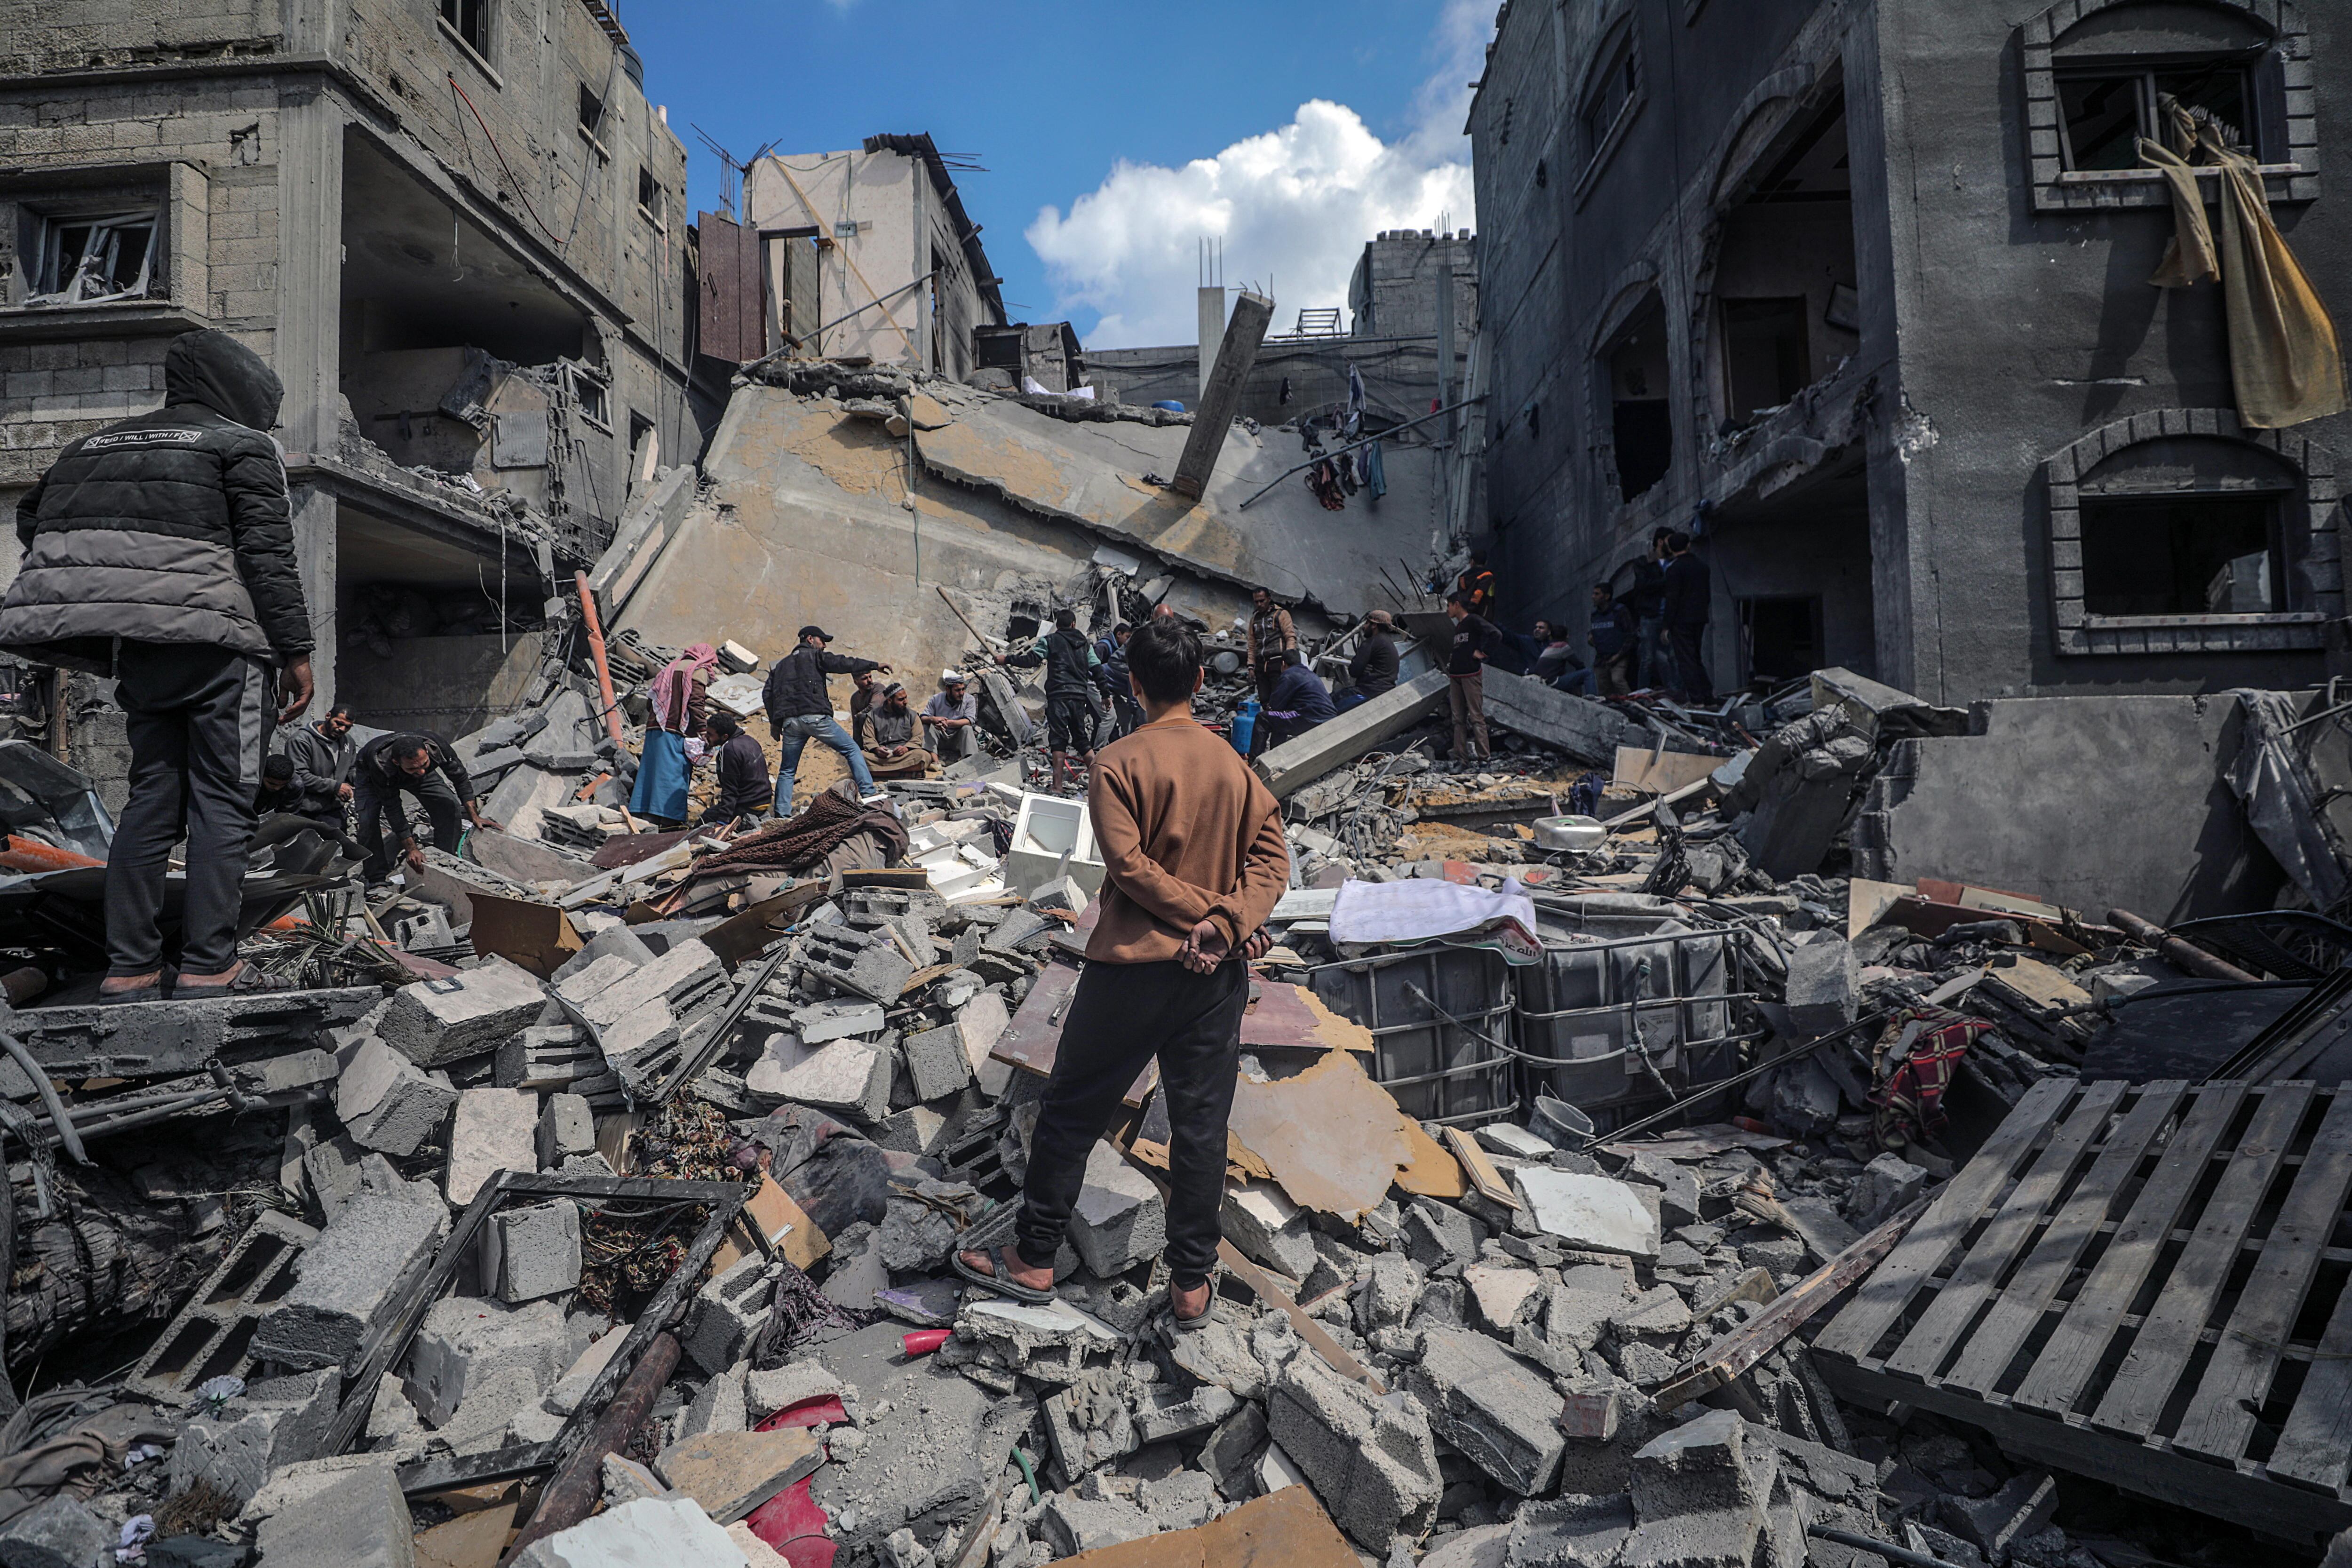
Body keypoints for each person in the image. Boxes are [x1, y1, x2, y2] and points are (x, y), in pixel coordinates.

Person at [953, 617, 1288, 1328]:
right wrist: (1228, 923)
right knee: (1201, 1127)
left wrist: (1211, 920)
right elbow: (1273, 865)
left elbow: (1130, 871)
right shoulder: (1238, 768)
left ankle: (1034, 1257)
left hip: (1132, 972)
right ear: (1200, 682)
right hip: (1213, 979)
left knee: (1072, 1113)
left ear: (1132, 685)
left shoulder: (1117, 763)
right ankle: (1192, 1283)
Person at [0, 329, 316, 1002]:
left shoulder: (92, 447)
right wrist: (296, 651)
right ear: (243, 392)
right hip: (220, 650)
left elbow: (35, 520)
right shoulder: (240, 445)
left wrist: (127, 579)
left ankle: (130, 967)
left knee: (149, 803)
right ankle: (208, 964)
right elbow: (267, 556)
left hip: (139, 651)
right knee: (223, 805)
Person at [764, 624, 888, 817]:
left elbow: (768, 694)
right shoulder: (816, 657)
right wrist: (874, 665)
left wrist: (775, 722)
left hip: (790, 723)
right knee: (852, 749)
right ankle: (870, 796)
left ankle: (782, 815)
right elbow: (843, 663)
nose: (824, 646)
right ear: (810, 639)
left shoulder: (780, 666)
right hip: (815, 718)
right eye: (822, 641)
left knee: (788, 770)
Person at [353, 731, 497, 881]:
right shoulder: (380, 764)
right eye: (413, 769)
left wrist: (474, 816)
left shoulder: (436, 746)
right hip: (371, 776)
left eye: (425, 764)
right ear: (397, 762)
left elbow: (460, 778)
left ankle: (444, 861)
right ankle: (377, 879)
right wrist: (412, 850)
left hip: (409, 769)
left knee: (448, 804)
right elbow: (393, 809)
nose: (421, 772)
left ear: (427, 752)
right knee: (368, 821)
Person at [633, 642, 716, 826]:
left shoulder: (669, 668)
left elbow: (651, 701)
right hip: (674, 730)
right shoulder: (698, 669)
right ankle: (669, 820)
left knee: (651, 773)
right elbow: (696, 702)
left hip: (655, 728)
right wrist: (702, 728)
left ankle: (645, 818)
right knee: (673, 775)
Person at [1034, 607, 1100, 792]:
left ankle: (1057, 786)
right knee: (1081, 738)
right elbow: (1097, 669)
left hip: (1058, 696)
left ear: (1057, 625)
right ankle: (1100, 782)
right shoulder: (1085, 644)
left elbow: (1032, 659)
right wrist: (1105, 694)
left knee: (1058, 739)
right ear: (1074, 625)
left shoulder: (1050, 641)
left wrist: (1006, 658)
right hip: (1079, 697)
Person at [1443, 592, 1498, 769]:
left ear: (1457, 604)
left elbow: (1496, 634)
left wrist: (1483, 653)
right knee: (1458, 719)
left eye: (1449, 606)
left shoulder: (1473, 621)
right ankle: (1462, 760)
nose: (1447, 610)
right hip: (1456, 676)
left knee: (1476, 717)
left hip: (1470, 675)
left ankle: (1484, 759)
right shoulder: (1459, 627)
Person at [1661, 530, 1712, 703]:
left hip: (1681, 620)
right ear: (1688, 545)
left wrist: (1666, 626)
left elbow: (1672, 599)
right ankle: (1707, 695)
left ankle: (1698, 699)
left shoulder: (1674, 570)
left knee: (1686, 660)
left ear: (1670, 548)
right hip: (1699, 617)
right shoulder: (1702, 567)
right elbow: (1707, 595)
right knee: (1696, 657)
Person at [282, 702, 359, 811]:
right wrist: (335, 787)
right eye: (339, 723)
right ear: (328, 716)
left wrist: (360, 780)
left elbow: (351, 768)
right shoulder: (302, 740)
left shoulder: (348, 741)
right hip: (306, 808)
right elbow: (299, 775)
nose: (342, 729)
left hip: (334, 808)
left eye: (348, 727)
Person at [701, 710, 771, 827]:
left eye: (710, 735)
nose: (706, 737)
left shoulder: (729, 750)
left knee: (706, 819)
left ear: (725, 737)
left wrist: (722, 821)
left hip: (748, 803)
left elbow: (730, 789)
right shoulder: (750, 740)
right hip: (764, 799)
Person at [1625, 528, 1673, 688]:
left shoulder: (1674, 562)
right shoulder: (1644, 562)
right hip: (1650, 616)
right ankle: (1642, 692)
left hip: (1670, 616)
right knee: (1647, 658)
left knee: (1671, 658)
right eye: (1669, 540)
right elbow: (1642, 585)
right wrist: (1667, 582)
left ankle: (1674, 692)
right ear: (1660, 542)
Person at [1259, 650, 1335, 749]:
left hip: (1311, 718)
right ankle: (1275, 755)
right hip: (1329, 717)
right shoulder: (1312, 675)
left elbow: (1275, 705)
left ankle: (1254, 760)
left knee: (1262, 718)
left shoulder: (1288, 675)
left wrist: (1272, 706)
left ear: (1283, 664)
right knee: (1280, 719)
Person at [858, 682, 933, 779]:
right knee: (860, 757)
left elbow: (918, 737)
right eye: (901, 700)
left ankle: (881, 773)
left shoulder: (912, 716)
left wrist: (906, 748)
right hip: (881, 757)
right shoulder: (873, 716)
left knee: (924, 756)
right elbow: (868, 738)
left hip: (904, 756)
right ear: (890, 700)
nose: (905, 702)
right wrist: (877, 749)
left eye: (906, 698)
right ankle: (905, 774)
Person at [1245, 588, 1295, 716]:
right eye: (1256, 602)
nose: (1259, 604)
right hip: (1261, 664)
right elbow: (1251, 644)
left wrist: (1289, 660)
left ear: (1269, 599)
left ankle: (1279, 725)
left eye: (1262, 601)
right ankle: (1269, 724)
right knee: (1264, 699)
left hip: (1278, 662)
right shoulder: (1255, 619)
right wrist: (1251, 666)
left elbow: (1290, 637)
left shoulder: (1281, 614)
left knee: (1279, 698)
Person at [1338, 610, 1400, 713]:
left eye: (1367, 623)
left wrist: (1361, 667)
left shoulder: (1371, 643)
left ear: (1374, 626)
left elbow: (1354, 671)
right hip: (1385, 692)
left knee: (1328, 703)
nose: (1364, 627)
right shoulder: (1390, 643)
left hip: (1367, 692)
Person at [1589, 582, 1637, 696]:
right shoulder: (1595, 615)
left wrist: (1618, 656)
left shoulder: (1620, 611)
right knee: (1603, 688)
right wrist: (1591, 636)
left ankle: (1633, 706)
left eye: (1597, 594)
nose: (1593, 597)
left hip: (1619, 655)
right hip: (1602, 658)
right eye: (1593, 593)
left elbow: (1631, 635)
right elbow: (1596, 631)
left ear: (1606, 596)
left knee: (1618, 681)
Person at [922, 670, 980, 764]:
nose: (961, 693)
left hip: (957, 740)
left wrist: (947, 723)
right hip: (940, 737)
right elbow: (923, 717)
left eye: (963, 689)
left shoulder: (969, 699)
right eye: (957, 690)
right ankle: (935, 762)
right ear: (948, 690)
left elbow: (970, 721)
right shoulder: (936, 699)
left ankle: (972, 763)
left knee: (967, 728)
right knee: (927, 726)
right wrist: (933, 719)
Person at [1097, 622, 1141, 740]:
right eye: (1127, 637)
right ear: (1118, 634)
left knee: (1124, 717)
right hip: (1095, 684)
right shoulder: (1133, 671)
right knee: (1109, 718)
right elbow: (1134, 703)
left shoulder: (1129, 664)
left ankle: (1116, 744)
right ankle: (1097, 752)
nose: (1127, 641)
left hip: (1110, 689)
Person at [1531, 620, 1593, 695]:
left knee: (1572, 678)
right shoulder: (1562, 646)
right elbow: (1578, 664)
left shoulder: (1549, 647)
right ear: (1567, 636)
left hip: (1545, 681)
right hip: (1553, 682)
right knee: (1588, 673)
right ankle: (1593, 697)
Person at [1456, 549, 1497, 621]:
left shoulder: (1462, 578)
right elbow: (1480, 593)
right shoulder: (1488, 576)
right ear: (1486, 562)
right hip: (1483, 617)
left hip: (1465, 617)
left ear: (1472, 562)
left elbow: (1460, 596)